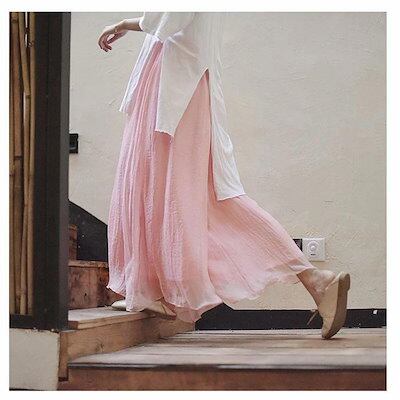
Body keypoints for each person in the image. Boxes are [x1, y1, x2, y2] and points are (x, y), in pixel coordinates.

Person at [98, 12, 350, 339]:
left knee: (172, 192)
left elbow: (169, 17)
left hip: (172, 86)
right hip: (180, 82)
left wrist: (122, 24)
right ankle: (156, 291)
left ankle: (315, 279)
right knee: (179, 194)